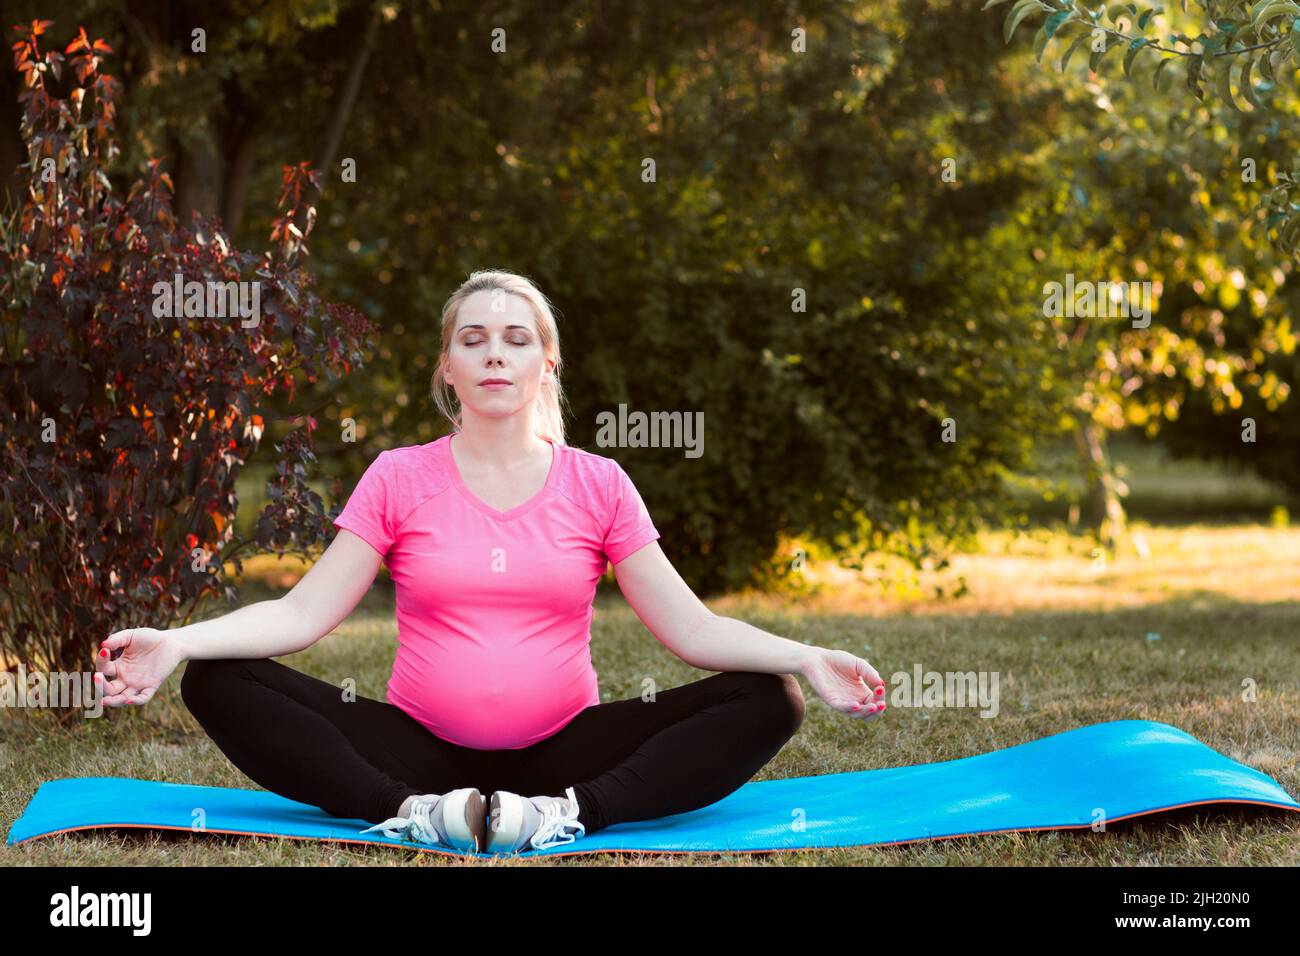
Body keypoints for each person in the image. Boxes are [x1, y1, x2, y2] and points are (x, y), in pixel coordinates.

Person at [95, 268, 888, 855]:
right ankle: (412, 813)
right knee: (220, 677)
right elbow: (300, 615)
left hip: (564, 749)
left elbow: (690, 627)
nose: (495, 356)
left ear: (547, 364)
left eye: (517, 340)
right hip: (415, 751)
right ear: (449, 368)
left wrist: (808, 656)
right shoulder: (399, 476)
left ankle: (570, 814)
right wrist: (179, 640)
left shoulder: (599, 484)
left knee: (771, 699)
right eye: (472, 341)